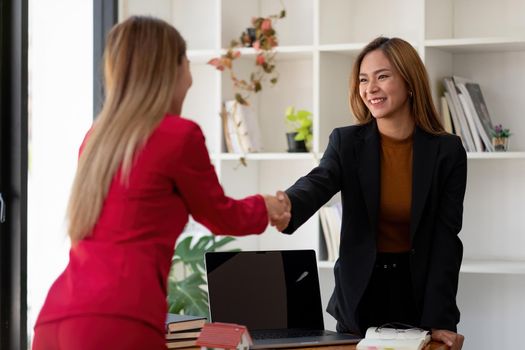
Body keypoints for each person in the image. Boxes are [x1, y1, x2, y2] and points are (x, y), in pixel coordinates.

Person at [32, 16, 289, 350]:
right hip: (119, 320)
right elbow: (222, 215)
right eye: (187, 65)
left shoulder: (96, 140)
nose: (191, 80)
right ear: (170, 70)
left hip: (56, 318)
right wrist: (267, 207)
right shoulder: (178, 135)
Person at [273, 36, 465, 349]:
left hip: (418, 296)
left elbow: (446, 239)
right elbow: (318, 181)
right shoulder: (346, 143)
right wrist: (287, 204)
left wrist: (442, 319)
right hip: (360, 294)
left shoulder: (447, 151)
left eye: (382, 77)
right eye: (363, 79)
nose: (370, 88)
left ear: (410, 81)